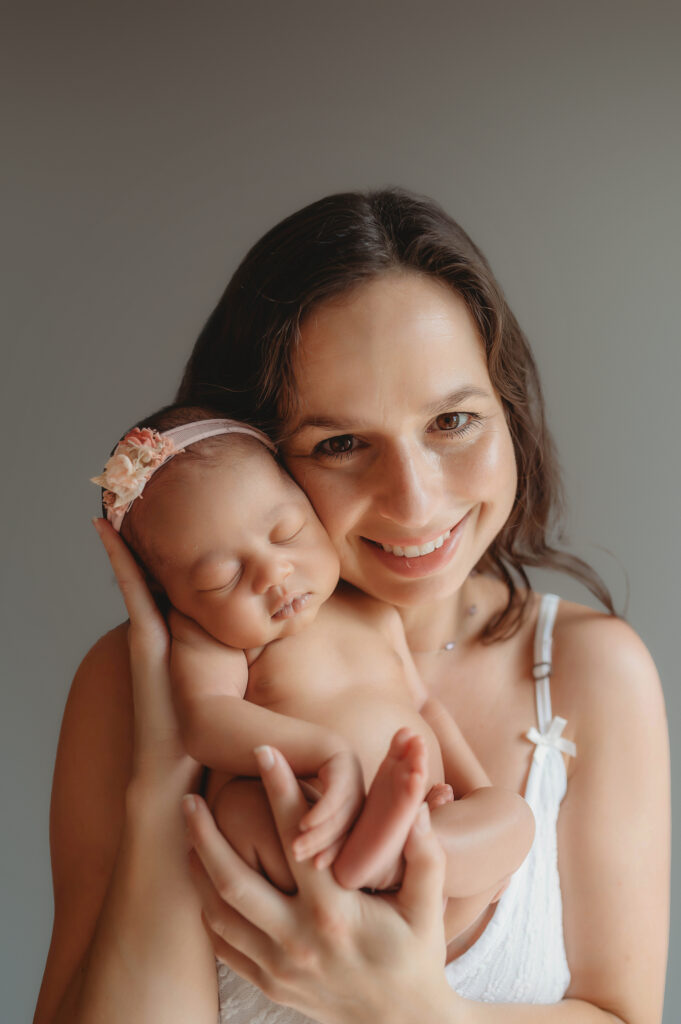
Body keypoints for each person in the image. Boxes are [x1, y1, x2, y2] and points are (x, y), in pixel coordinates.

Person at [34, 188, 670, 1024]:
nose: (412, 500)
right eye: (339, 444)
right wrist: (164, 787)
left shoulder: (591, 672)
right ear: (252, 453)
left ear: (506, 411)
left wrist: (409, 1008)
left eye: (452, 420)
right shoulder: (135, 684)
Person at [90, 404, 533, 910]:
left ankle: (399, 856)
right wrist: (322, 753)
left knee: (514, 817)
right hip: (307, 818)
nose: (273, 574)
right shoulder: (214, 638)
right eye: (222, 579)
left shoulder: (370, 607)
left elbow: (424, 706)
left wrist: (478, 791)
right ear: (173, 599)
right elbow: (206, 720)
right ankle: (364, 855)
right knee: (238, 811)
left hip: (425, 814)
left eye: (287, 534)